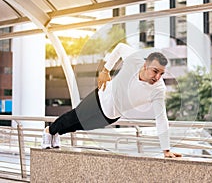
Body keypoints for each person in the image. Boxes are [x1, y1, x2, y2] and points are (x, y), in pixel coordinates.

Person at [42, 43, 181, 158]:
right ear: (145, 65)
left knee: (78, 126)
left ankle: (55, 132)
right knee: (74, 117)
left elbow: (161, 117)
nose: (157, 77)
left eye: (161, 74)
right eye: (155, 71)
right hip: (101, 97)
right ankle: (49, 131)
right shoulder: (134, 59)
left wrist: (166, 150)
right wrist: (105, 70)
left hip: (111, 115)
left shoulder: (158, 89)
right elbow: (120, 47)